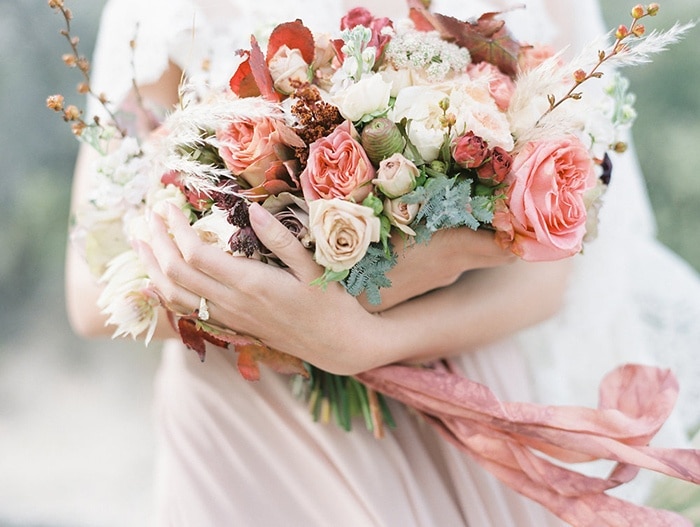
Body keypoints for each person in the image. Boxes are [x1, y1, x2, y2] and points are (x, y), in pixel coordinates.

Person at [65, 0, 700, 525]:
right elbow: (91, 293)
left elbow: (551, 274)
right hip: (248, 422)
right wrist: (283, 289)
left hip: (448, 388)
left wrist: (366, 336)